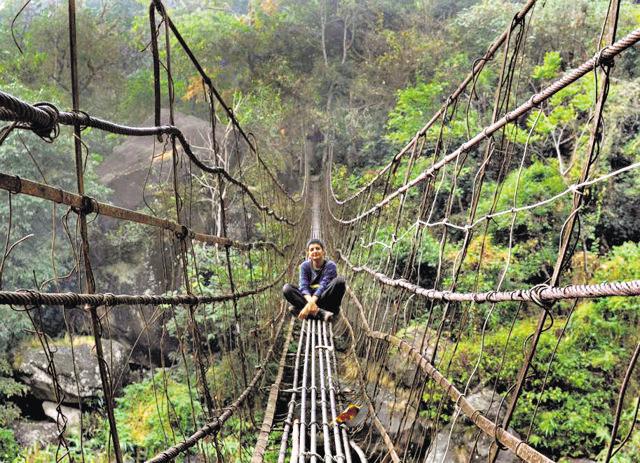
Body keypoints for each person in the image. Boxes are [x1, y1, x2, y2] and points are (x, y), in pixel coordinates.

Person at [282, 238, 345, 322]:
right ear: (308, 254)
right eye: (312, 249)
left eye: (318, 248)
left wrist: (309, 305)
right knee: (287, 289)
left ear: (323, 251)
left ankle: (303, 311)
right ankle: (319, 313)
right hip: (309, 299)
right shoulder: (304, 266)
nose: (315, 251)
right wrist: (311, 303)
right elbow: (303, 287)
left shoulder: (330, 265)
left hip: (325, 299)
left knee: (340, 281)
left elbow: (323, 285)